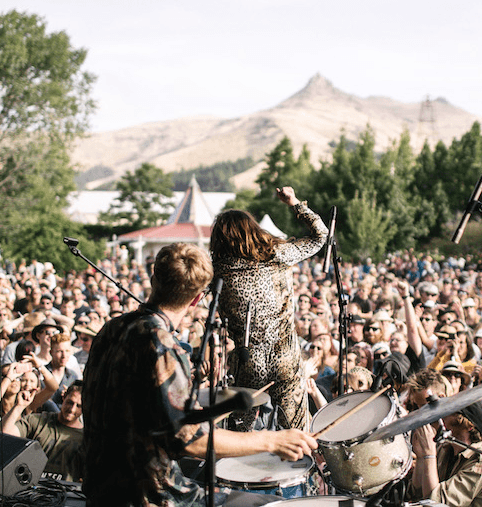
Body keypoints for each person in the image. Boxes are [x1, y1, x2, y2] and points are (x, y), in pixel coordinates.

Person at [82, 243, 316, 506]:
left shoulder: (110, 328)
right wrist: (273, 440)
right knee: (264, 504)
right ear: (196, 299)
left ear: (153, 278)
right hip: (148, 496)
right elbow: (190, 441)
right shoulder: (159, 343)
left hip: (99, 488)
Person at [210, 187, 328, 431]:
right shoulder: (277, 254)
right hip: (285, 356)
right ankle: (299, 466)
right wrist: (294, 202)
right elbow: (320, 235)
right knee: (295, 430)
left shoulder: (219, 271)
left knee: (239, 434)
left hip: (248, 361)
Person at [411, 399, 482, 506]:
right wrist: (421, 457)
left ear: (469, 426)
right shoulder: (445, 449)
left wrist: (429, 455)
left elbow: (435, 503)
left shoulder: (480, 467)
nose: (443, 417)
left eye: (450, 412)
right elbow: (416, 493)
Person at [1, 382, 84, 480]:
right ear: (64, 398)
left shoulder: (85, 437)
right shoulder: (38, 421)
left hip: (65, 491)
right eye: (70, 402)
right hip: (30, 488)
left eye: (78, 406)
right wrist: (19, 406)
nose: (72, 409)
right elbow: (3, 436)